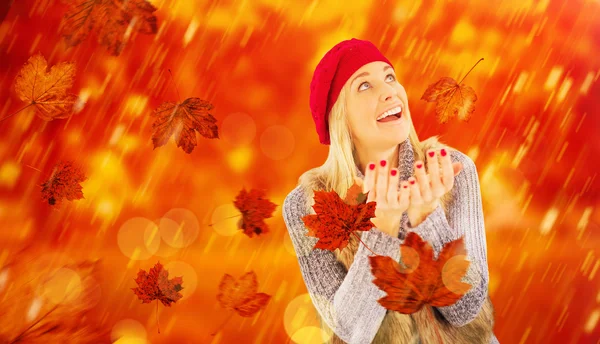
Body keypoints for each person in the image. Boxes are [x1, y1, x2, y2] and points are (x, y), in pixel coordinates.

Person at [282, 38, 500, 344]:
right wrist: (381, 231)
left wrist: (428, 218)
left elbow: (466, 309)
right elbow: (350, 331)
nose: (389, 91)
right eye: (364, 86)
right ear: (339, 117)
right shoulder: (308, 204)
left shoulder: (450, 169)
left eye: (389, 77)